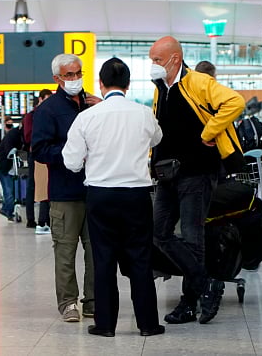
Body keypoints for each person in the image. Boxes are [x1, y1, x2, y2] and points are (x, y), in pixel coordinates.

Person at [62, 57, 164, 337]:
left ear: (101, 84)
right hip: (137, 195)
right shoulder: (143, 113)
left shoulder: (87, 117)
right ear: (128, 84)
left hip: (101, 195)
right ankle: (147, 324)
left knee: (103, 259)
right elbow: (157, 139)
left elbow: (70, 161)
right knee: (141, 259)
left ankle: (105, 325)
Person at [149, 36, 245, 325]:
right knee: (159, 233)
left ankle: (188, 304)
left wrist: (208, 133)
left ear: (174, 59)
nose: (152, 65)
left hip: (197, 173)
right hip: (167, 175)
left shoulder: (198, 82)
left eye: (157, 60)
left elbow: (234, 102)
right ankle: (207, 284)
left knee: (193, 237)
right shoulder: (160, 89)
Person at [32, 53, 101, 322]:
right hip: (64, 192)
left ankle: (93, 301)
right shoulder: (47, 111)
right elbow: (39, 150)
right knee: (65, 249)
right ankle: (68, 302)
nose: (75, 79)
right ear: (57, 78)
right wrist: (73, 153)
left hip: (95, 188)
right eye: (69, 75)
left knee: (96, 250)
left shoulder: (93, 105)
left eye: (78, 73)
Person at [22, 89, 52, 233]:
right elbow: (28, 137)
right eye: (45, 99)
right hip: (34, 154)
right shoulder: (31, 116)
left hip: (45, 153)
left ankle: (44, 219)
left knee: (43, 186)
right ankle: (31, 219)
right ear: (39, 99)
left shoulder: (48, 115)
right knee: (33, 186)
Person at [0, 119, 22, 221]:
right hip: (4, 164)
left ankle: (7, 209)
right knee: (8, 189)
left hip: (8, 164)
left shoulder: (15, 134)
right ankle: (7, 210)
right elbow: (8, 148)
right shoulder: (14, 134)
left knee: (10, 189)